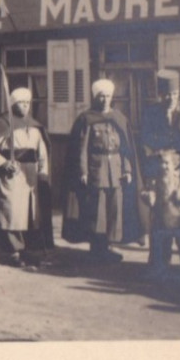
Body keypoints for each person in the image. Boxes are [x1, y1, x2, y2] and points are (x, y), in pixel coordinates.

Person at [62, 78, 145, 262]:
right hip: (96, 170)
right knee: (97, 211)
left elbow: (125, 148)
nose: (105, 99)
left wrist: (128, 170)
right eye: (101, 96)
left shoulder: (119, 118)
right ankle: (96, 247)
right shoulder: (87, 119)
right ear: (95, 97)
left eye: (108, 96)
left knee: (114, 209)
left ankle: (107, 246)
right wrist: (83, 171)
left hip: (115, 172)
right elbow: (81, 148)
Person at [140, 68, 180, 278]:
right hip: (162, 176)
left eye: (174, 95)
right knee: (160, 219)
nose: (170, 99)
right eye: (166, 95)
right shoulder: (152, 113)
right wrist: (149, 183)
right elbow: (146, 147)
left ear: (179, 93)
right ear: (160, 94)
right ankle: (160, 265)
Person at [0, 86, 54, 267]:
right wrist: (3, 163)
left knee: (29, 212)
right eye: (21, 102)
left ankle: (27, 249)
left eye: (28, 103)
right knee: (12, 212)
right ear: (13, 104)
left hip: (31, 174)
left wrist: (43, 172)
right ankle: (13, 250)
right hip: (12, 174)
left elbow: (42, 152)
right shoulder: (4, 124)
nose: (25, 106)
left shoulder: (35, 126)